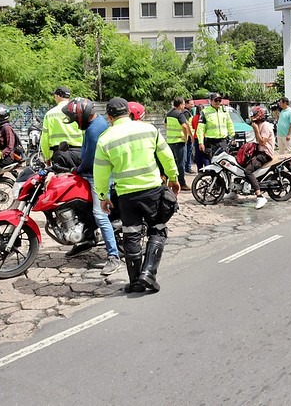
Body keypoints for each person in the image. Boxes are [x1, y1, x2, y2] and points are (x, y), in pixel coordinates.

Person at [93, 98, 180, 293]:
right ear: (129, 112)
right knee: (157, 229)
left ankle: (135, 282)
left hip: (126, 196)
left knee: (131, 235)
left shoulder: (105, 138)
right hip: (152, 191)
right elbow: (166, 156)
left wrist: (102, 196)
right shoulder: (149, 129)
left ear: (109, 116)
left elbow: (100, 173)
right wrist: (173, 177)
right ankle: (148, 274)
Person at [60, 98, 122, 275]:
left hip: (98, 175)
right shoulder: (94, 124)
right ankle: (86, 240)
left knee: (99, 214)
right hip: (91, 172)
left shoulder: (95, 129)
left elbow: (89, 160)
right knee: (78, 206)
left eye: (74, 118)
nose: (74, 121)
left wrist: (76, 169)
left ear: (82, 115)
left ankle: (113, 257)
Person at [41, 87, 83, 170]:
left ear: (58, 96)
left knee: (61, 181)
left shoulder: (50, 114)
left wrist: (47, 157)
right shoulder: (77, 111)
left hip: (60, 155)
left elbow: (44, 139)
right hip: (79, 153)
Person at [245, 107, 275, 209]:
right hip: (259, 151)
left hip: (265, 153)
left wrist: (256, 130)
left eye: (254, 115)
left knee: (248, 171)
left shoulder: (265, 126)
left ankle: (260, 196)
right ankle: (234, 191)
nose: (252, 117)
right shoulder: (258, 125)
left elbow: (262, 142)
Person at [197, 93, 235, 162]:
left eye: (219, 100)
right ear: (211, 101)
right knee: (213, 162)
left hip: (223, 141)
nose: (218, 102)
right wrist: (201, 142)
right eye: (216, 100)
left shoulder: (224, 111)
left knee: (224, 162)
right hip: (211, 142)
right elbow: (200, 129)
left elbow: (230, 124)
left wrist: (232, 137)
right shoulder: (205, 112)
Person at [165, 97, 192, 192]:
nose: (184, 106)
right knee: (181, 164)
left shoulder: (168, 114)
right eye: (184, 104)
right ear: (180, 105)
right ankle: (182, 183)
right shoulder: (179, 114)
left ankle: (171, 181)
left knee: (172, 163)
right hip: (179, 142)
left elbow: (165, 126)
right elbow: (184, 126)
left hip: (170, 142)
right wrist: (186, 137)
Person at [191, 104, 205, 170]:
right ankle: (208, 168)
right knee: (205, 154)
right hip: (204, 137)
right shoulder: (205, 117)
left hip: (196, 137)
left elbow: (193, 127)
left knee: (198, 154)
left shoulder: (194, 118)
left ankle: (199, 169)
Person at [183, 99, 195, 174]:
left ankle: (187, 167)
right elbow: (187, 125)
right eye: (191, 104)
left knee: (188, 152)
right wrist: (190, 135)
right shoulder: (186, 112)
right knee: (188, 152)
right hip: (188, 135)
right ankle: (188, 168)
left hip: (189, 135)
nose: (193, 106)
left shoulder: (188, 112)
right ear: (186, 104)